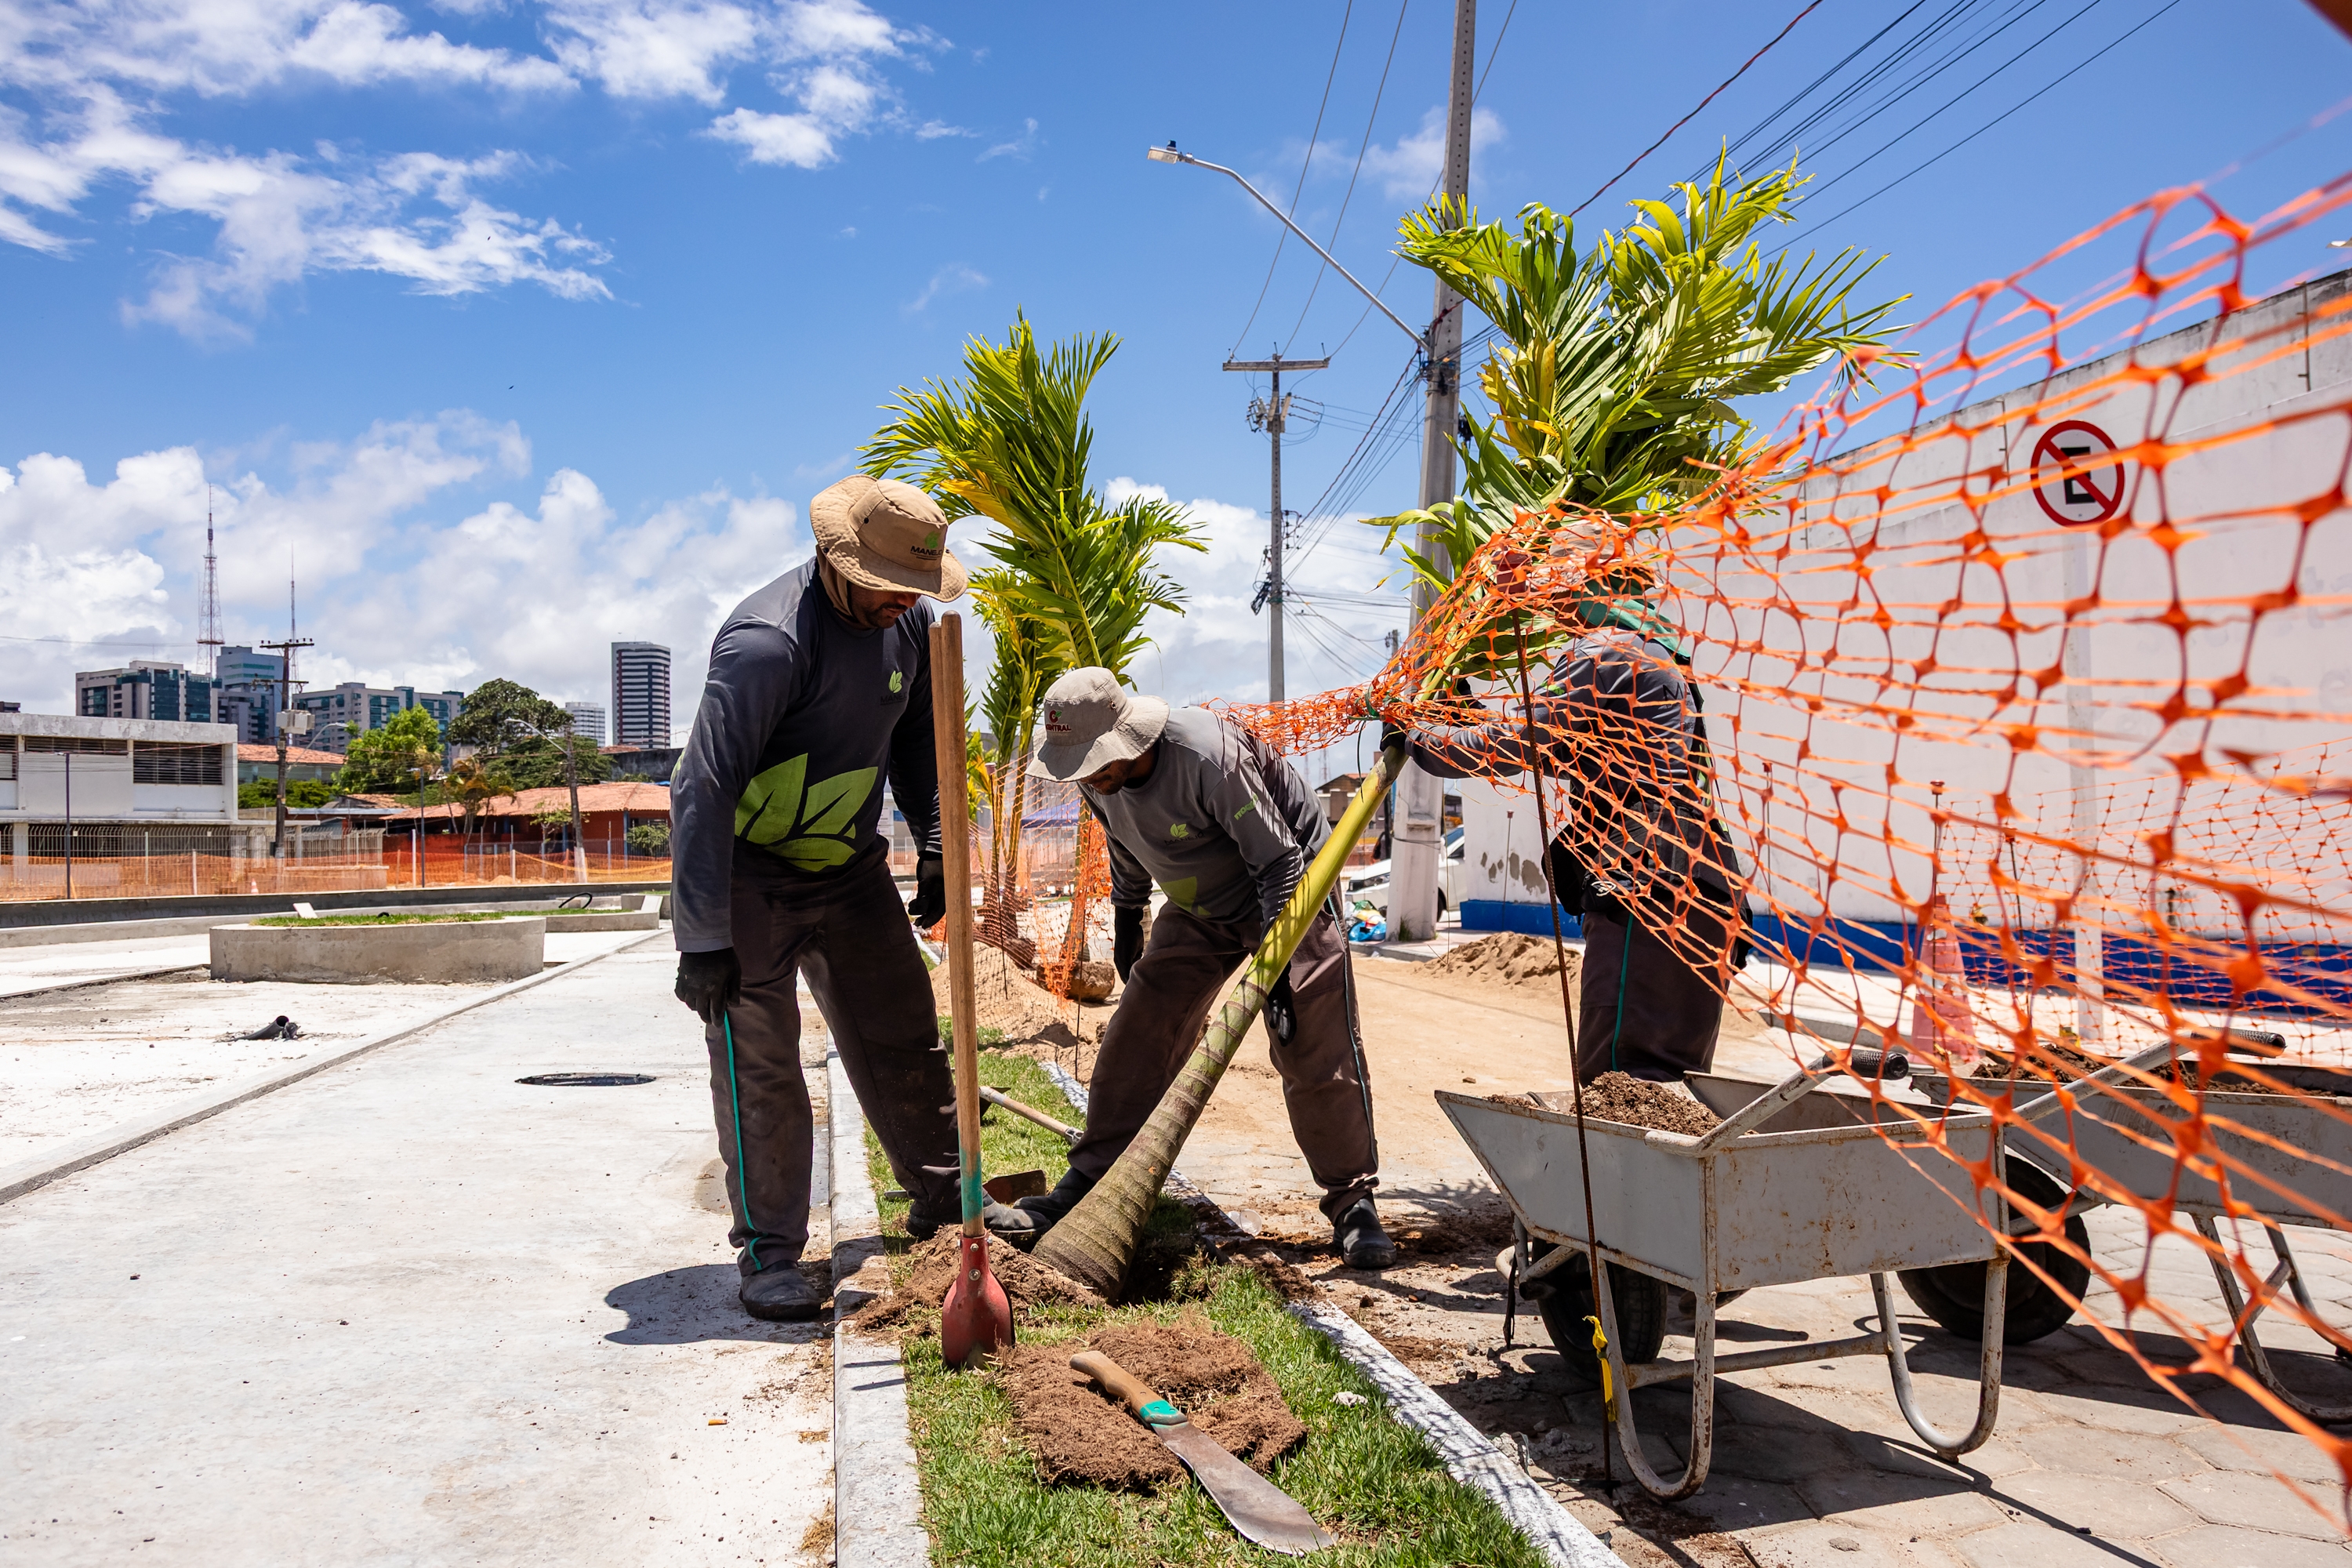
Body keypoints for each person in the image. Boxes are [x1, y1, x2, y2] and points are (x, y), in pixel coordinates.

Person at [670, 474, 1012, 1321]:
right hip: (751, 877)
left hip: (851, 872)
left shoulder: (910, 627)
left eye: (917, 586)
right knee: (762, 1068)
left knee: (903, 1028)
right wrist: (703, 936)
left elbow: (921, 745)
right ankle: (770, 1254)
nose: (906, 600)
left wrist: (937, 842)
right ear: (837, 560)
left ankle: (944, 1199)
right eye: (890, 584)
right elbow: (702, 787)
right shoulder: (767, 645)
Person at [986, 668, 1396, 1269]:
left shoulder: (1208, 756)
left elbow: (1279, 861)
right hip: (1200, 905)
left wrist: (1279, 969)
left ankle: (1353, 1203)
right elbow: (1125, 845)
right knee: (1139, 1031)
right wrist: (1128, 916)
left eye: (1094, 761)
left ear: (1126, 737)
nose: (1087, 776)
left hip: (1289, 891)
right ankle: (1087, 1184)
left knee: (1310, 1041)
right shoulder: (1095, 777)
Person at [1398, 559, 1748, 1084]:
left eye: (1557, 585)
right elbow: (1555, 744)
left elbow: (1514, 743)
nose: (1550, 606)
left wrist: (1414, 734)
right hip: (1705, 895)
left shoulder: (1603, 651)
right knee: (1676, 1089)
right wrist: (1460, 715)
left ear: (1593, 584)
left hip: (1647, 894)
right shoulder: (1661, 661)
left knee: (1622, 1085)